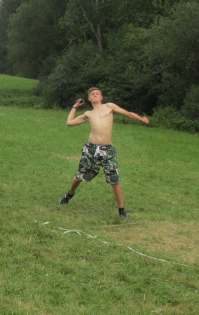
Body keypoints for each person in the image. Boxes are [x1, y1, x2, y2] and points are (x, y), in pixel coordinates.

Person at [59, 87, 150, 218]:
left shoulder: (109, 106)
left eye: (98, 94)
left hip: (107, 150)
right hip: (91, 149)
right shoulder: (88, 114)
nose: (95, 95)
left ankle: (122, 211)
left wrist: (141, 119)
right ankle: (69, 194)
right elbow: (69, 122)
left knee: (114, 180)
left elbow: (128, 113)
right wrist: (75, 107)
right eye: (92, 94)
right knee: (80, 176)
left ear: (102, 97)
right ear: (89, 98)